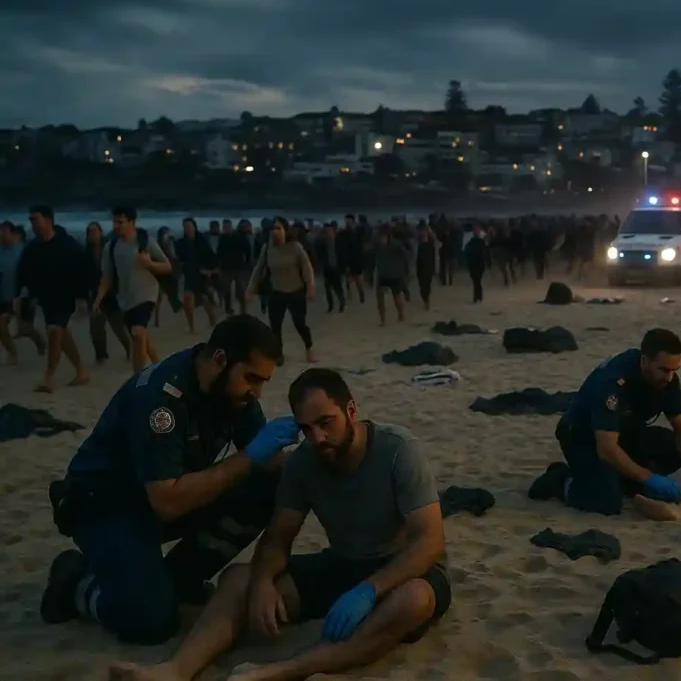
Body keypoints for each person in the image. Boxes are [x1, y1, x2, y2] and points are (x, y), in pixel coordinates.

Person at [108, 367, 449, 681]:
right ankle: (177, 670)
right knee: (240, 578)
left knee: (415, 600)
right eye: (306, 429)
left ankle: (285, 670)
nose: (317, 438)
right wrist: (263, 584)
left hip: (402, 570)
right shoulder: (304, 464)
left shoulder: (397, 450)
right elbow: (277, 538)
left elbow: (429, 541)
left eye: (326, 422)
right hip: (344, 564)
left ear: (351, 411)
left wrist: (371, 589)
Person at [40, 316, 293, 646]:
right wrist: (250, 457)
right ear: (219, 360)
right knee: (150, 623)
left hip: (162, 498)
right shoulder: (161, 398)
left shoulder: (232, 394)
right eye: (251, 378)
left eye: (263, 381)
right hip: (105, 505)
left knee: (269, 488)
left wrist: (315, 441)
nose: (256, 391)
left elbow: (270, 463)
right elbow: (168, 502)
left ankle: (178, 580)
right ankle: (75, 583)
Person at [530, 328, 681, 521]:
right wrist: (647, 477)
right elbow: (606, 449)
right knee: (607, 502)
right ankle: (561, 480)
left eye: (674, 370)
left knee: (675, 448)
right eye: (664, 370)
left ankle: (624, 479)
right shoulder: (614, 383)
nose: (669, 377)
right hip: (583, 436)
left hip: (624, 431)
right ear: (645, 361)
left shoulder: (667, 380)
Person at [14, 205, 93, 392]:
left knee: (54, 331)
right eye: (31, 220)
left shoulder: (67, 244)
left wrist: (82, 297)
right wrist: (20, 295)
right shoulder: (32, 248)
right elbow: (22, 273)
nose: (32, 224)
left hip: (65, 296)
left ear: (49, 220)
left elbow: (84, 270)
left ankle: (49, 376)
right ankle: (81, 371)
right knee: (61, 333)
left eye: (36, 219)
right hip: (45, 297)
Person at [97, 204, 173, 373]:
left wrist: (149, 264)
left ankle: (138, 377)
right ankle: (158, 365)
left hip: (147, 293)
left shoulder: (146, 241)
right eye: (114, 222)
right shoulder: (111, 246)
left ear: (132, 222)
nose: (116, 226)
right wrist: (98, 299)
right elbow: (107, 277)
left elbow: (167, 266)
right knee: (141, 334)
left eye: (120, 222)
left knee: (137, 333)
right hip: (125, 298)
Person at [247, 217, 317, 364]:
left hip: (296, 290)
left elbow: (307, 268)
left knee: (299, 323)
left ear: (285, 230)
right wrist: (250, 289)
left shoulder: (295, 247)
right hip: (277, 291)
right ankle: (278, 354)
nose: (275, 232)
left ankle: (310, 349)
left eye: (279, 228)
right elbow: (259, 269)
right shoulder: (267, 248)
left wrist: (310, 288)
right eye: (273, 229)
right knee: (275, 325)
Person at [83, 220, 132, 366]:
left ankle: (129, 349)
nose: (92, 234)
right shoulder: (86, 252)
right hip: (94, 294)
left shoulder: (111, 248)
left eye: (95, 231)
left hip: (112, 294)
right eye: (90, 232)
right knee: (96, 328)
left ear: (100, 232)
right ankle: (101, 356)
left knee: (118, 327)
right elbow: (82, 274)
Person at [0, 219, 46, 364]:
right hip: (4, 295)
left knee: (24, 329)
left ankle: (40, 342)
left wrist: (34, 295)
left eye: (4, 232)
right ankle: (12, 354)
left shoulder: (24, 250)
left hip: (23, 295)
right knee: (0, 325)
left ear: (13, 233)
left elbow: (34, 273)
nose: (1, 235)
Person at [174, 218, 220, 333]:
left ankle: (212, 319)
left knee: (205, 300)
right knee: (187, 299)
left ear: (194, 227)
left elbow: (211, 257)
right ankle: (191, 326)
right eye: (185, 227)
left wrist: (210, 271)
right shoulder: (180, 243)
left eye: (189, 226)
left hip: (202, 275)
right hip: (189, 274)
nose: (187, 229)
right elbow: (177, 259)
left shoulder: (202, 241)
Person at [374, 225, 409, 326]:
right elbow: (373, 256)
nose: (381, 237)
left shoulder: (396, 244)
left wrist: (405, 271)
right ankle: (382, 320)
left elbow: (406, 256)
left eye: (383, 235)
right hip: (382, 274)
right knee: (379, 297)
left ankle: (401, 315)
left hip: (395, 275)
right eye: (380, 235)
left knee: (396, 297)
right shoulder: (377, 244)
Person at [464, 224, 489, 304]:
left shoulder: (478, 242)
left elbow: (485, 253)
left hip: (478, 263)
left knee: (477, 281)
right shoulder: (475, 242)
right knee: (477, 281)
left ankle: (477, 297)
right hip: (475, 263)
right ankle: (478, 297)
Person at [415, 223, 436, 310]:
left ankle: (426, 301)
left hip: (428, 267)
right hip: (421, 268)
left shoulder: (431, 245)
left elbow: (433, 258)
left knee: (427, 285)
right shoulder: (420, 245)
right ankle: (425, 300)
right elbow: (418, 259)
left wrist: (434, 268)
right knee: (422, 285)